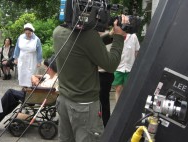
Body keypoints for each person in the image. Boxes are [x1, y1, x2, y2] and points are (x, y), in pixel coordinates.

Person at [53, 12, 128, 141]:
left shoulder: (58, 31)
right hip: (84, 107)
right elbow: (111, 65)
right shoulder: (87, 36)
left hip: (64, 100)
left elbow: (85, 45)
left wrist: (110, 35)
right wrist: (119, 36)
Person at [0, 55, 58, 126]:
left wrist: (36, 82)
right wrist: (33, 77)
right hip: (36, 95)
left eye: (47, 67)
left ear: (50, 68)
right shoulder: (50, 75)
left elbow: (45, 90)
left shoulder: (54, 80)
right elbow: (39, 76)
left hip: (37, 97)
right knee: (12, 99)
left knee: (10, 93)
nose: (46, 68)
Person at [13, 23, 43, 87]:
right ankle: (24, 88)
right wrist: (16, 58)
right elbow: (17, 48)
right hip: (22, 58)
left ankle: (31, 88)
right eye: (26, 33)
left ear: (32, 32)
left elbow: (39, 51)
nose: (27, 35)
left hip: (32, 59)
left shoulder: (36, 39)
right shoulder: (20, 37)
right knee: (23, 74)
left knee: (31, 74)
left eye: (29, 33)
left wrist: (39, 61)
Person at [113, 32, 140, 102]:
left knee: (128, 90)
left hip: (130, 68)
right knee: (118, 88)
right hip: (118, 67)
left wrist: (137, 66)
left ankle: (127, 108)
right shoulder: (116, 36)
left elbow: (137, 51)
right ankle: (117, 108)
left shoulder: (133, 36)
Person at [97, 32, 115, 127]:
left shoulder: (104, 38)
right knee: (104, 100)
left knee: (102, 100)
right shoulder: (109, 37)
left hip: (103, 73)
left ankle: (105, 123)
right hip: (106, 73)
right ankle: (106, 123)